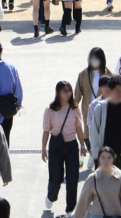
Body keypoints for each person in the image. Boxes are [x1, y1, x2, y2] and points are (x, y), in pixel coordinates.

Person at [42, 80, 87, 216]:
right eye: (65, 91)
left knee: (73, 178)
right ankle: (51, 196)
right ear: (58, 93)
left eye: (70, 90)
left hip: (71, 146)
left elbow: (79, 128)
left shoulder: (75, 108)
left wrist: (82, 144)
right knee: (56, 177)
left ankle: (70, 209)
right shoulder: (50, 109)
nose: (68, 93)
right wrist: (43, 149)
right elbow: (46, 131)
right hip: (55, 146)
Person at [73, 147, 121, 218]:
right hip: (97, 215)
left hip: (115, 215)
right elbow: (83, 201)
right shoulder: (93, 178)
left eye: (109, 158)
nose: (106, 161)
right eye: (103, 157)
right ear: (99, 159)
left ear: (113, 159)